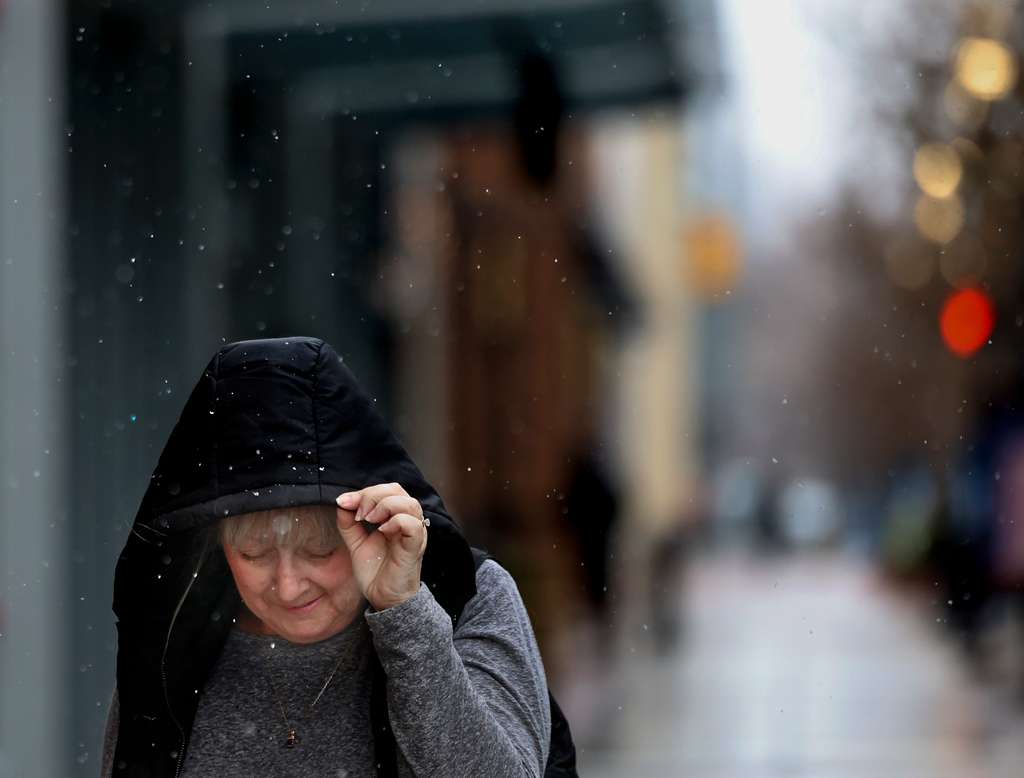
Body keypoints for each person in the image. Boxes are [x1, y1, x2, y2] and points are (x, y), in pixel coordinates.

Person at [101, 337, 576, 777]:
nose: (288, 585)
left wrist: (404, 612)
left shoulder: (470, 598)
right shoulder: (176, 635)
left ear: (367, 525)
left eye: (320, 550)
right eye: (253, 553)